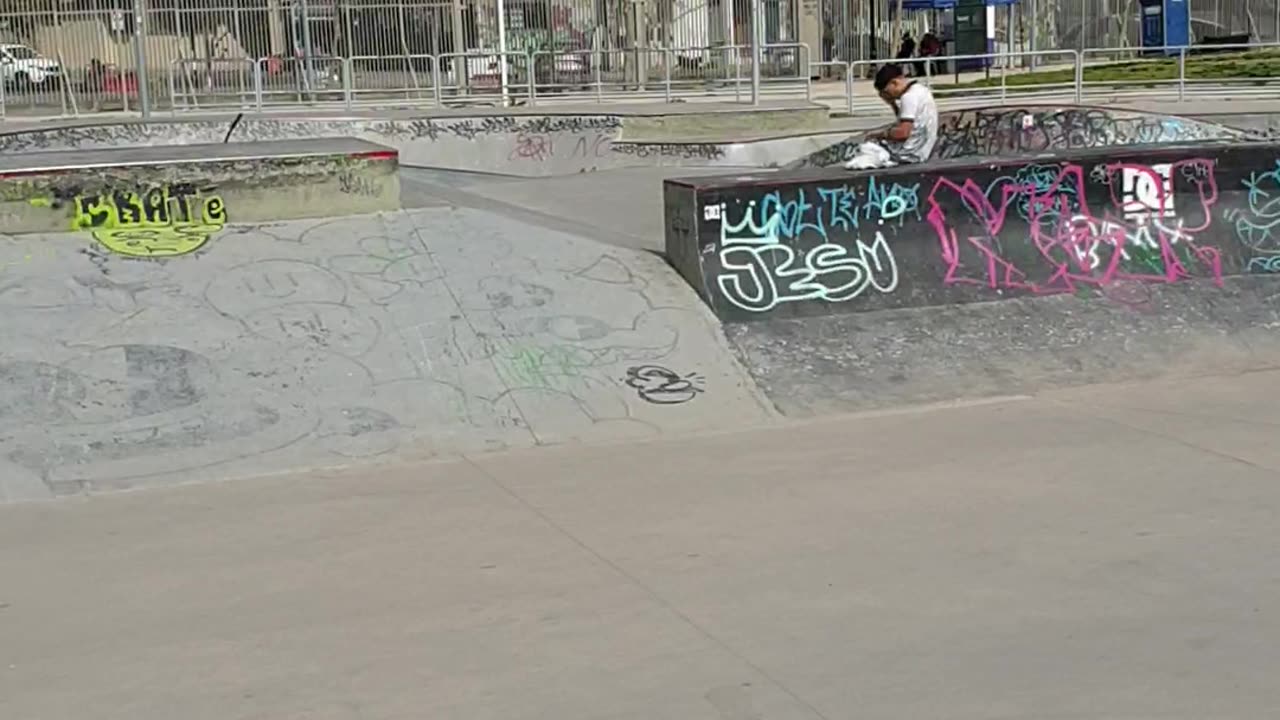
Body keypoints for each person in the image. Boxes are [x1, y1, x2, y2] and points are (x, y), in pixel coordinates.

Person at [843, 62, 938, 170]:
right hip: (921, 151)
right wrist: (892, 104)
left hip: (909, 153)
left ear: (894, 83)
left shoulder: (908, 97)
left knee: (866, 145)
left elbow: (903, 133)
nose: (887, 95)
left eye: (887, 92)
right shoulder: (920, 89)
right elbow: (905, 121)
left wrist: (880, 135)